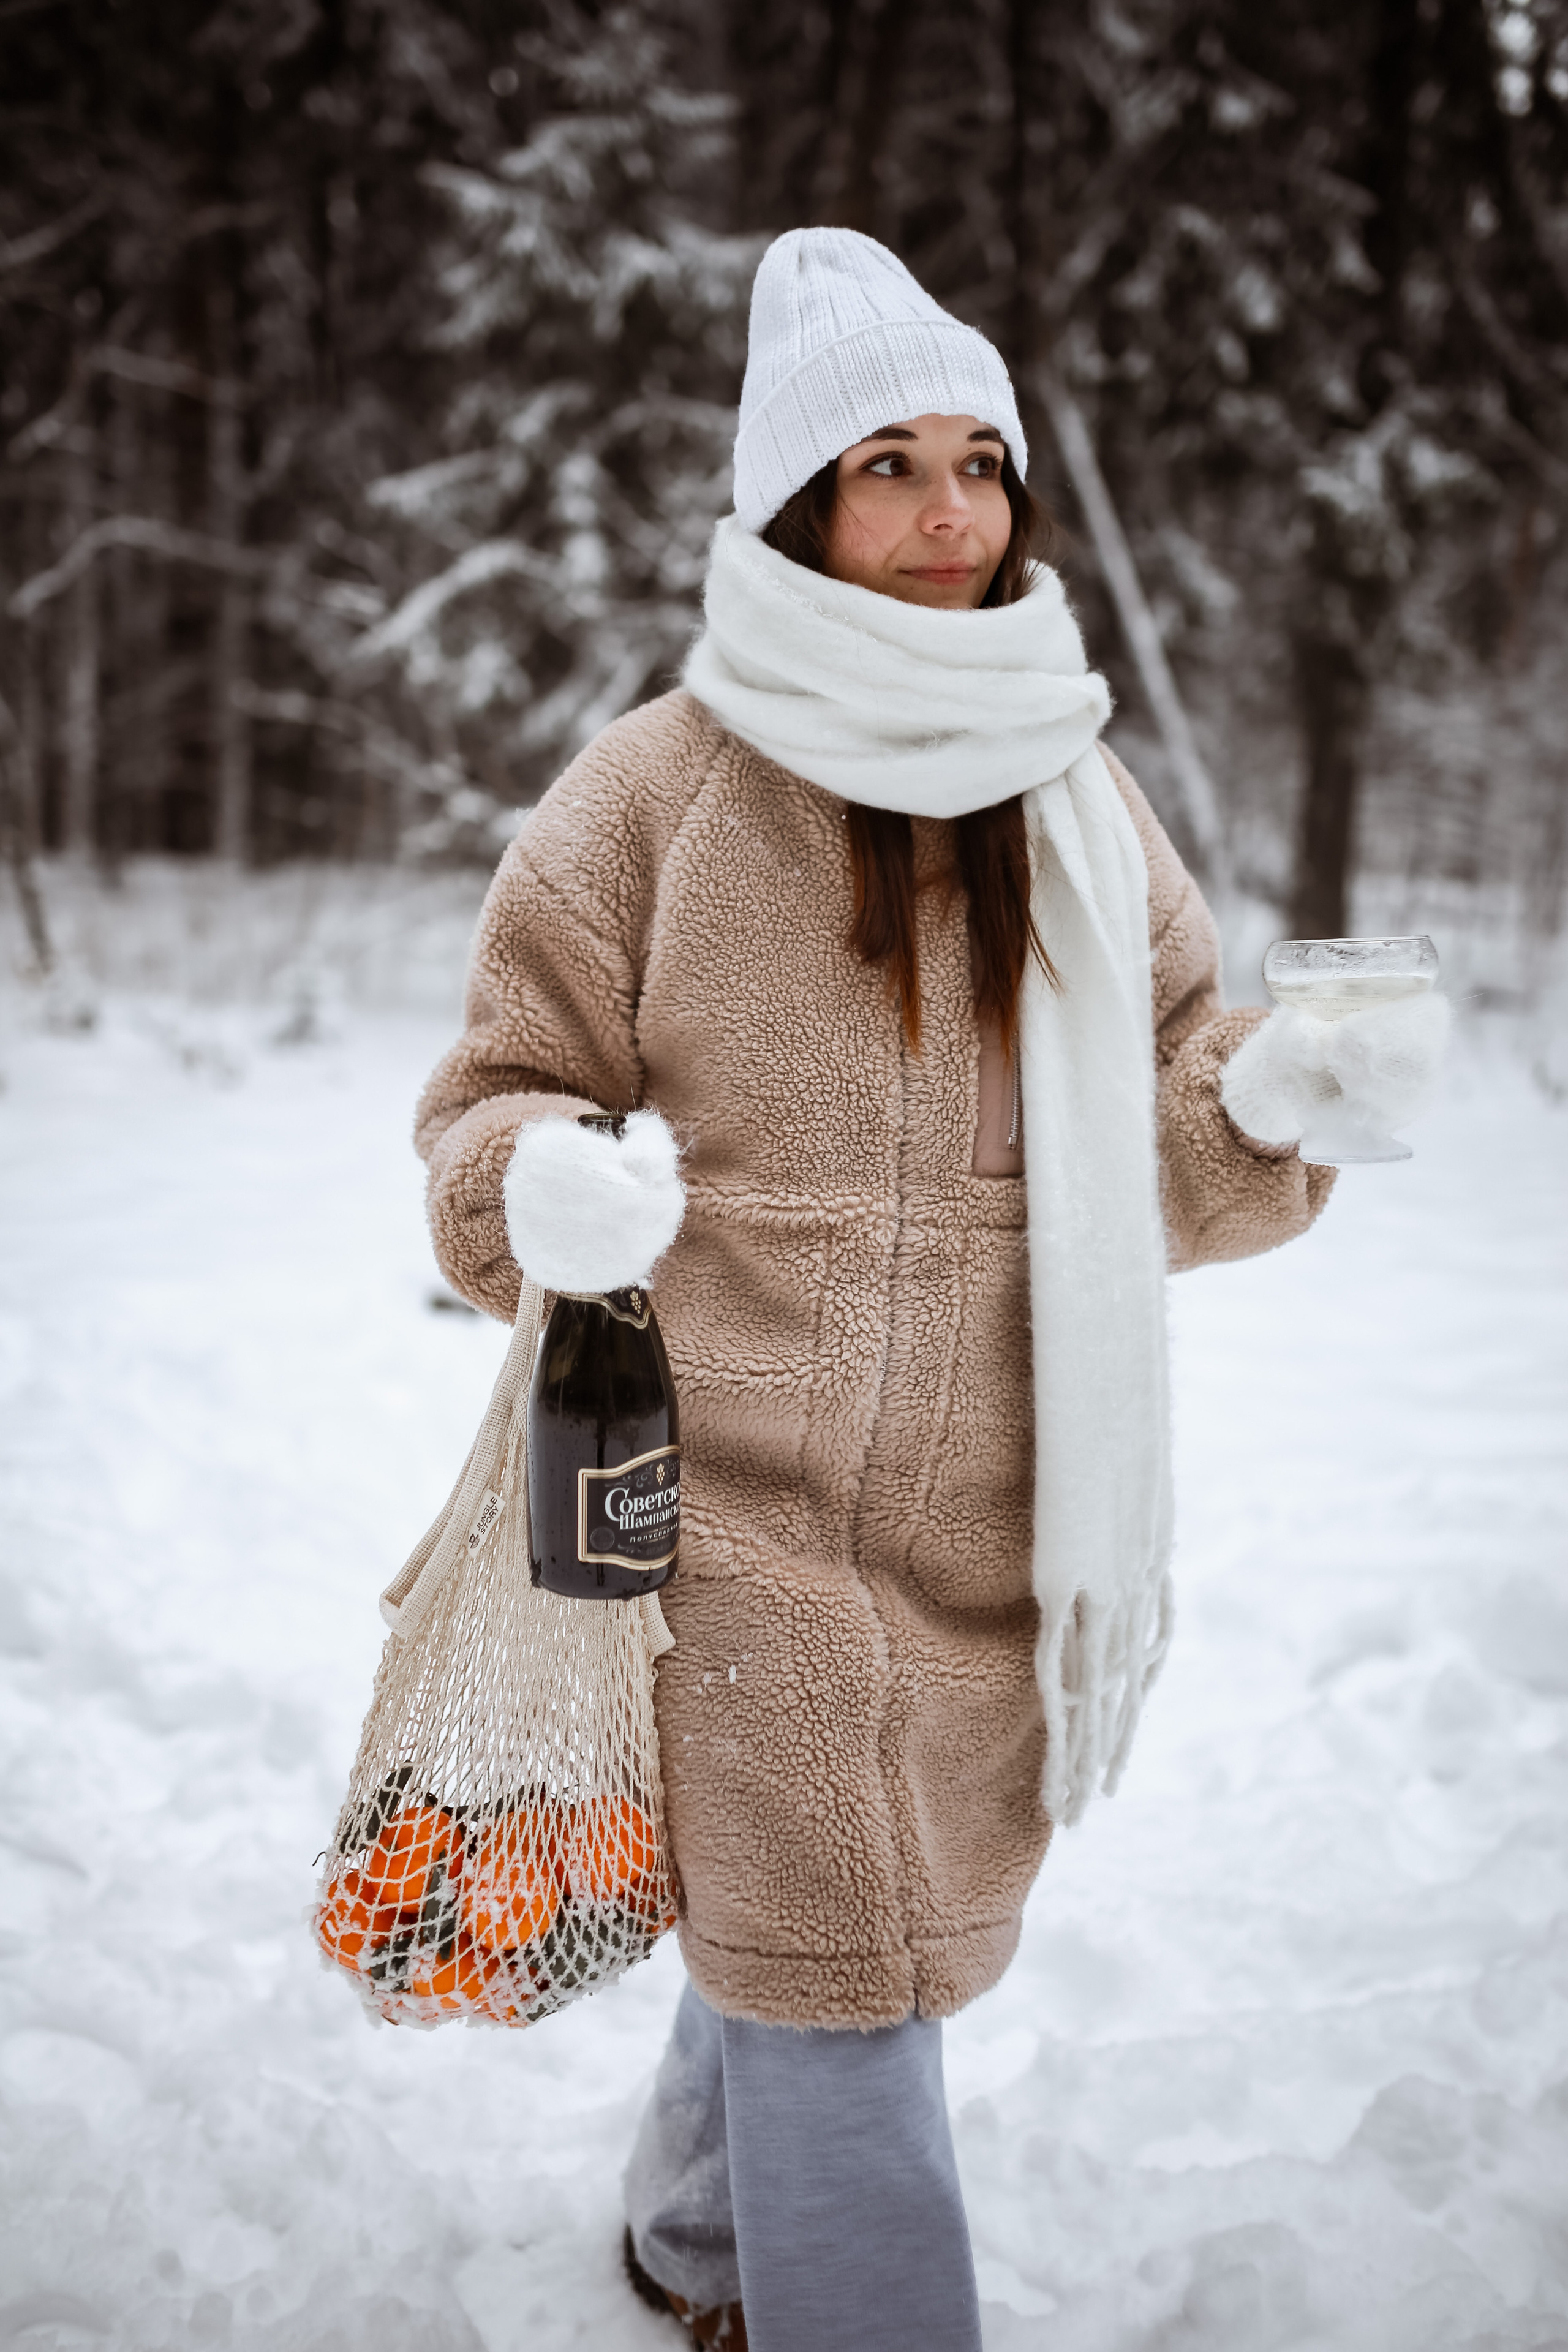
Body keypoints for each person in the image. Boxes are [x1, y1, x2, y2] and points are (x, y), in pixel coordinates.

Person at [414, 228, 1448, 2352]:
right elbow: (491, 1107)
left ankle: (700, 2244)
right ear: (797, 505)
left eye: (980, 460)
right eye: (887, 464)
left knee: (858, 1939)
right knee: (841, 1957)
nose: (949, 512)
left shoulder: (1074, 793)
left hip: (1002, 1507)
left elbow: (1168, 1126)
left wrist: (1268, 1089)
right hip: (717, 1496)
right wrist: (547, 1190)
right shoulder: (653, 790)